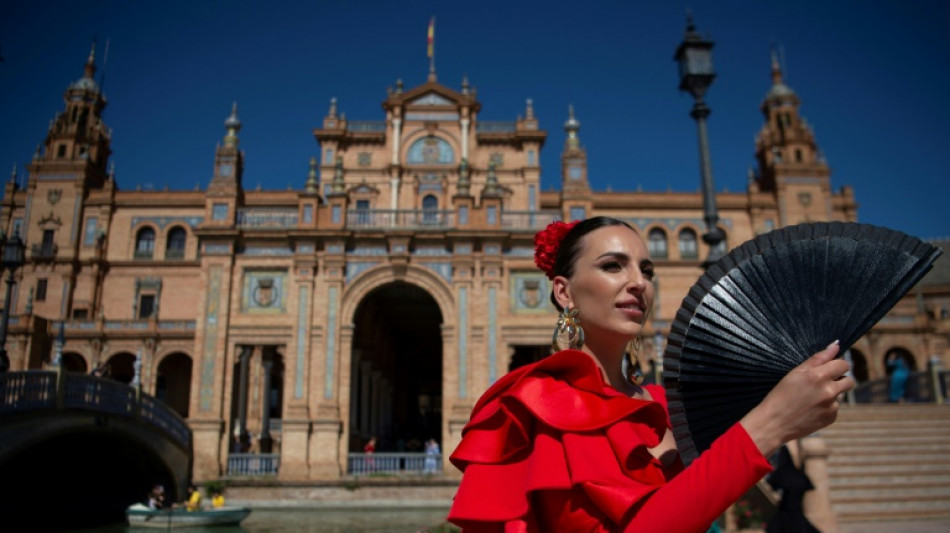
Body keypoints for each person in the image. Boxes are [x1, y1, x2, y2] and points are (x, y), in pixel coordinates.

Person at [447, 217, 854, 532]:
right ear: (563, 292)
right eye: (612, 266)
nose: (639, 283)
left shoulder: (665, 403)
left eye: (647, 270)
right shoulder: (537, 404)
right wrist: (768, 427)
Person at [766, 440, 821, 533]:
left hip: (788, 513)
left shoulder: (784, 474)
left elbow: (773, 484)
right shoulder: (797, 475)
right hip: (794, 512)